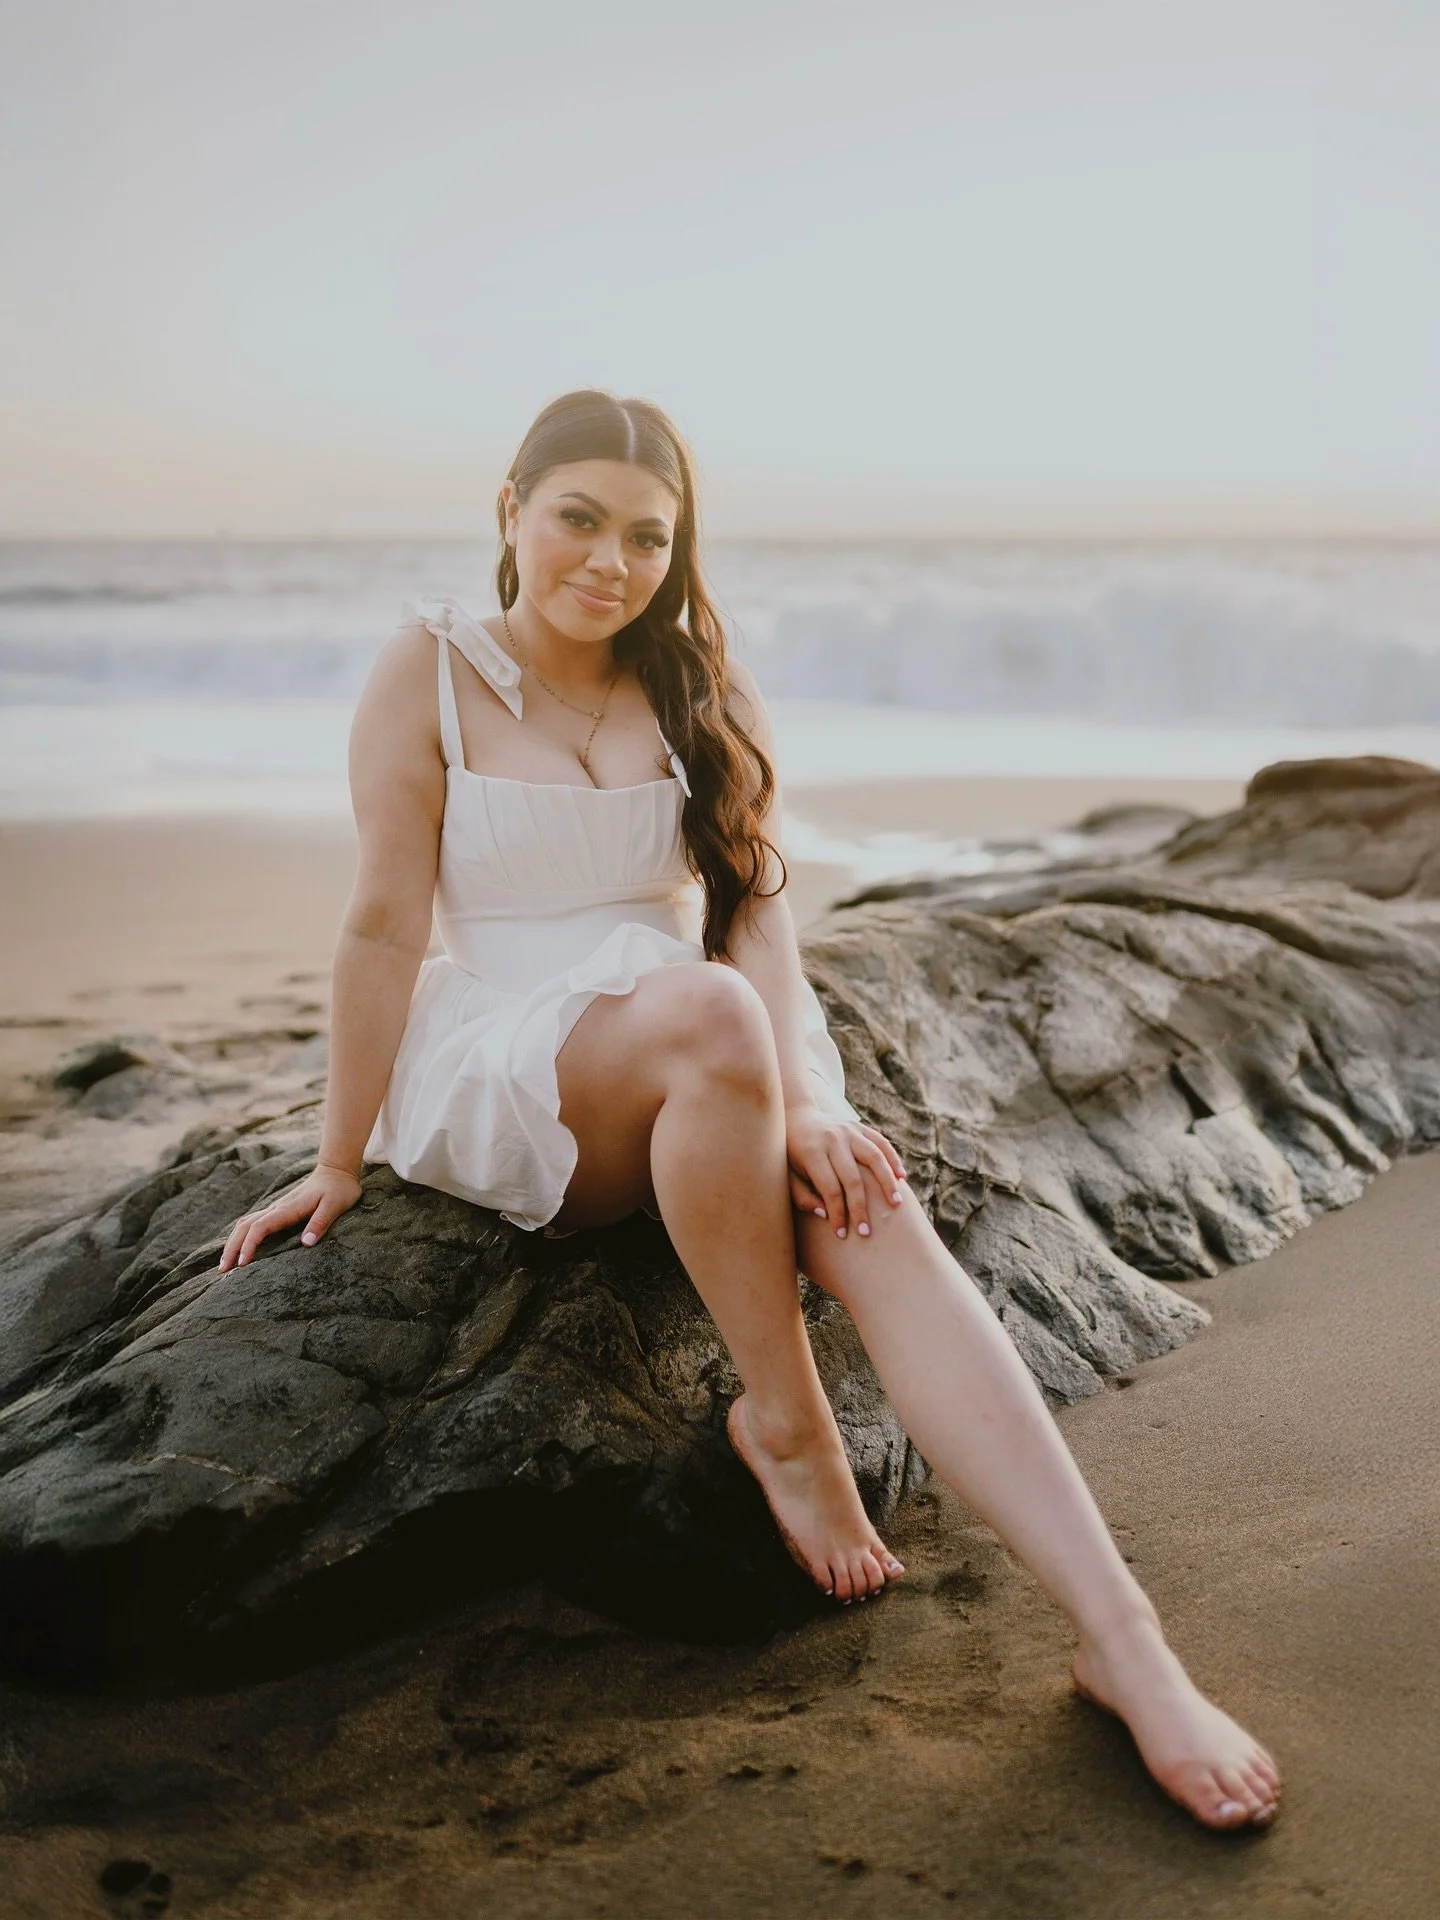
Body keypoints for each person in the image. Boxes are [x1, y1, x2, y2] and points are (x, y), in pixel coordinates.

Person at [219, 389, 1280, 1831]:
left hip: (705, 1041)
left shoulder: (695, 668)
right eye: (580, 519)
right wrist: (337, 1157)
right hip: (520, 1068)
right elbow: (381, 926)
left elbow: (756, 907)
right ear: (512, 509)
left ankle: (1127, 1643)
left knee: (869, 1203)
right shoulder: (428, 668)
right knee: (716, 1024)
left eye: (650, 536)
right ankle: (785, 1418)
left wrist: (810, 1104)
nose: (614, 561)